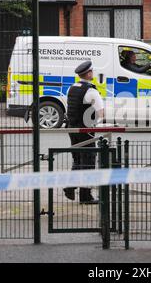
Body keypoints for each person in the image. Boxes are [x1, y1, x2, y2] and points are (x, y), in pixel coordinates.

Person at [64, 60, 104, 204]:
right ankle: (83, 194)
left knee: (78, 159)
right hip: (86, 130)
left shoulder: (72, 88)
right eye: (92, 71)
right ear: (88, 73)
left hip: (71, 128)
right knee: (88, 160)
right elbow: (101, 113)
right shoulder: (91, 91)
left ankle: (74, 189)